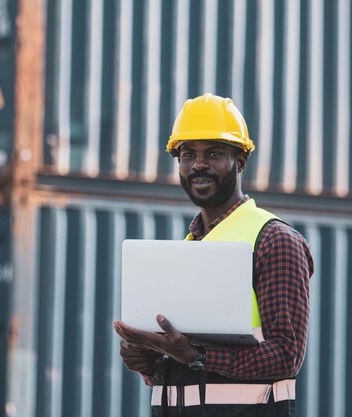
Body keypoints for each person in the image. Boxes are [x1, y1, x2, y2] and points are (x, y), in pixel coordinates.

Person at [114, 93, 314, 417]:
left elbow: (285, 355)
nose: (199, 164)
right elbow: (196, 376)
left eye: (214, 153)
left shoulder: (274, 241)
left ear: (241, 161)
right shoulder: (191, 246)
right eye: (188, 154)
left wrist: (196, 355)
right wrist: (152, 363)